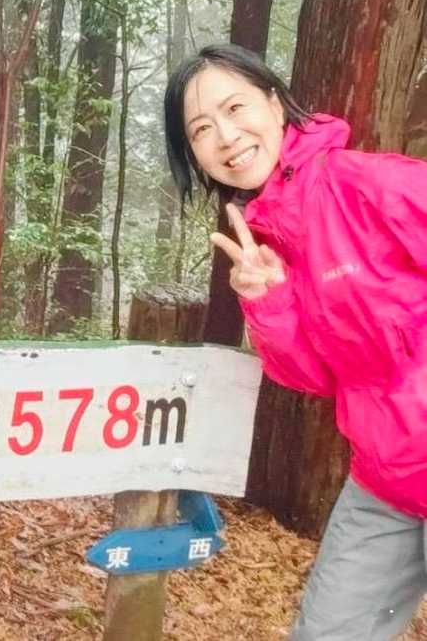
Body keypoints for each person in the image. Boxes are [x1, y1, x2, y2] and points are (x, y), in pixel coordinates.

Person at [164, 42, 427, 641]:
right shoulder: (265, 242)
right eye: (201, 129)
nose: (226, 136)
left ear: (277, 105)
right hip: (385, 478)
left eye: (235, 108)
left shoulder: (368, 184)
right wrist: (269, 301)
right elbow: (316, 377)